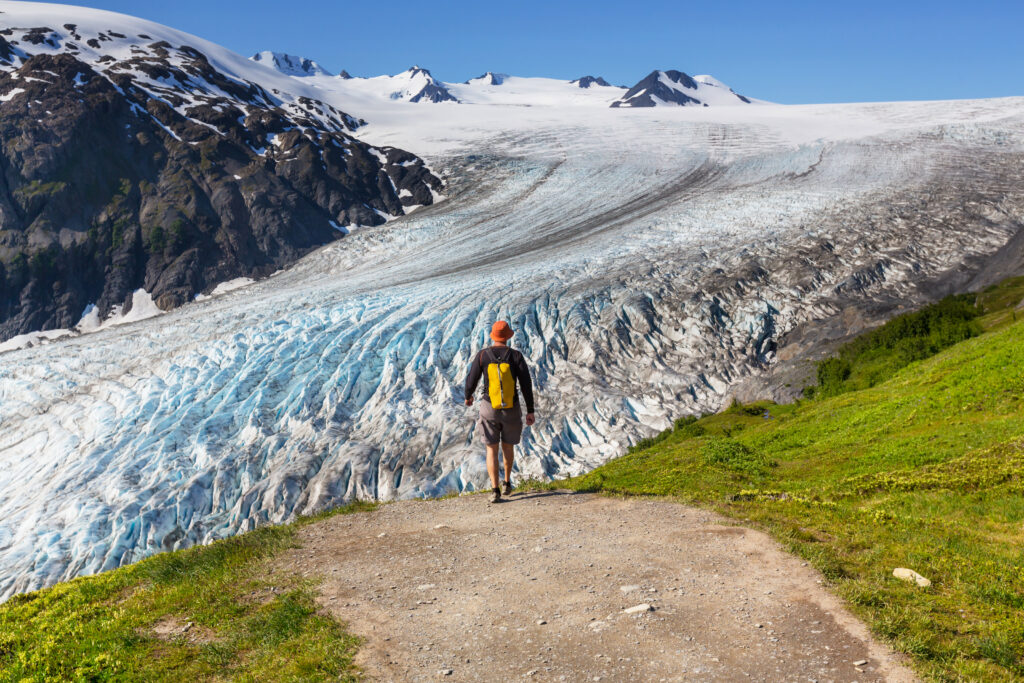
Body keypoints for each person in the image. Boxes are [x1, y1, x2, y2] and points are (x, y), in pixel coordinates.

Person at [464, 320, 536, 503]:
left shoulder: (483, 356)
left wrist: (468, 396)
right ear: (507, 337)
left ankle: (494, 489)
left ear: (493, 336)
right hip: (511, 408)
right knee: (507, 447)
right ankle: (506, 482)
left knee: (491, 449)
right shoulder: (516, 356)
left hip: (489, 408)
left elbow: (472, 379)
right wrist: (530, 410)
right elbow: (526, 385)